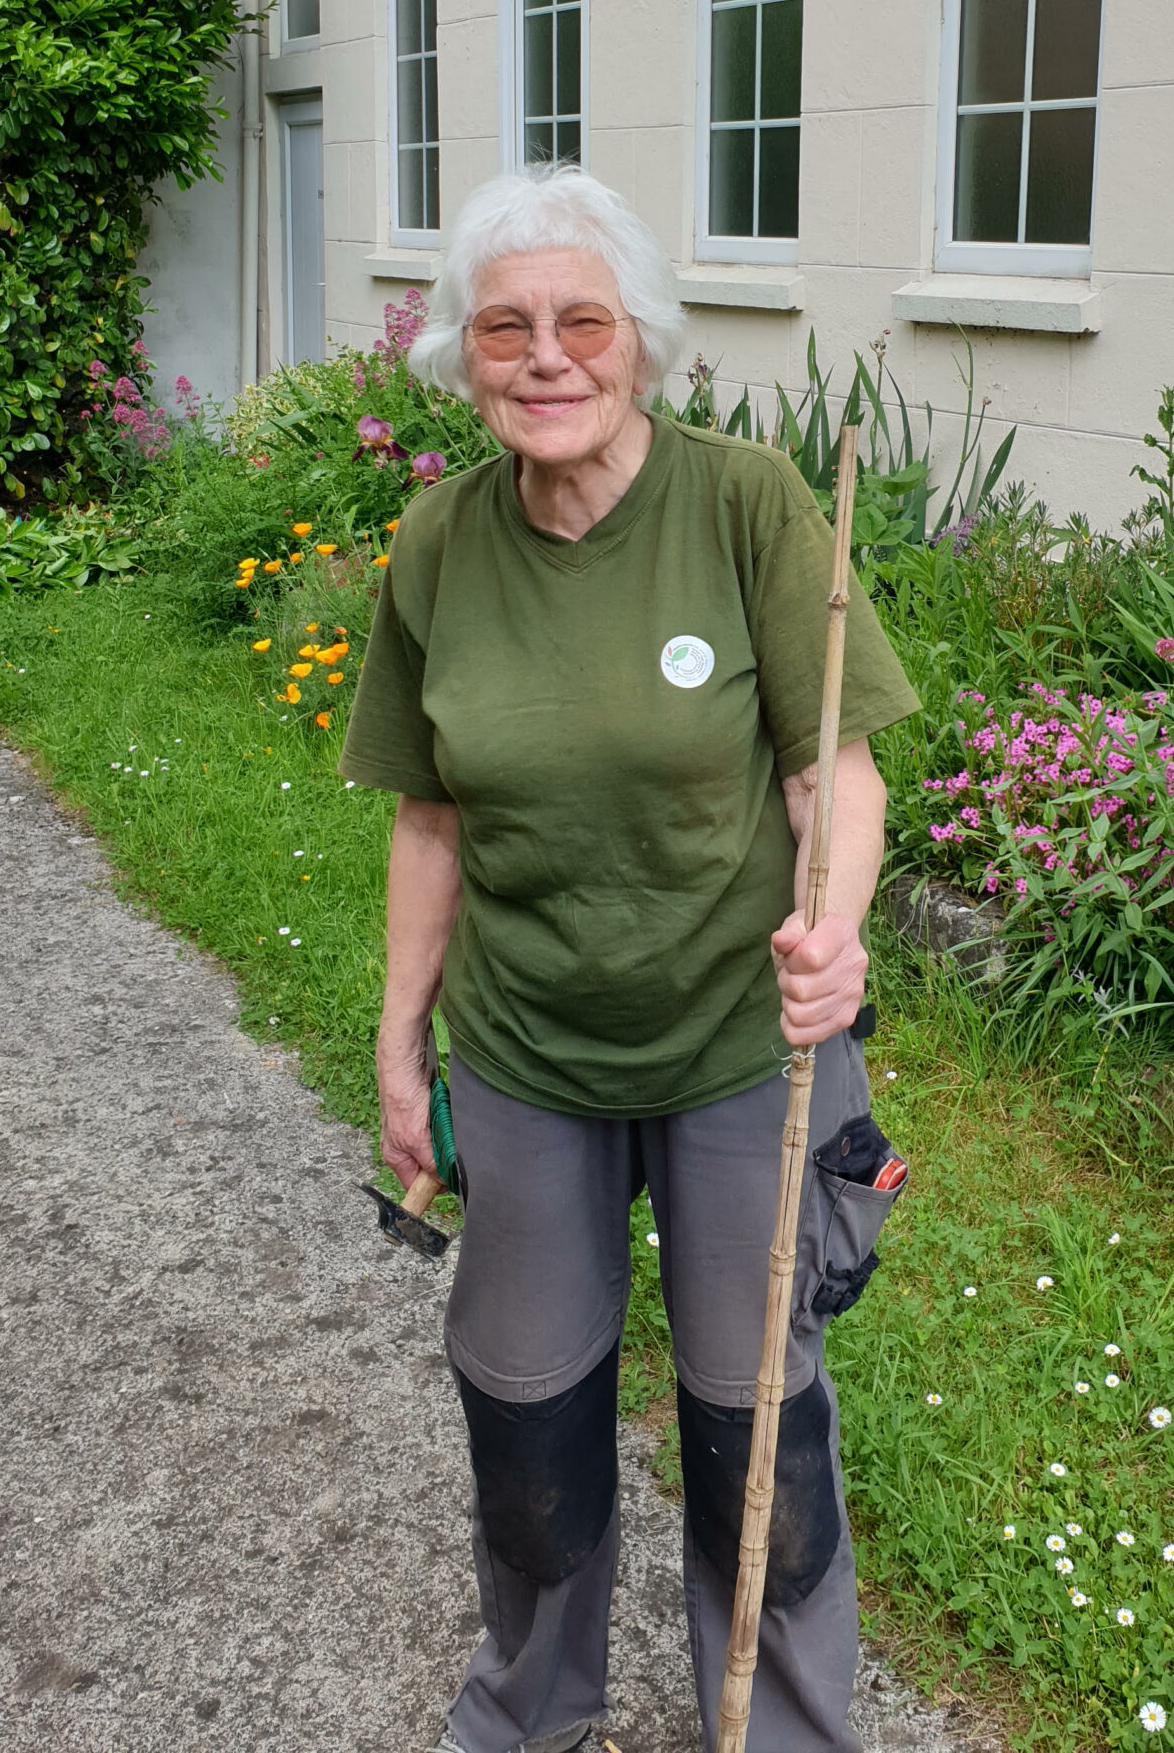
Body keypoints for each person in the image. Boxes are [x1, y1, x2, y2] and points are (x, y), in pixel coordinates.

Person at [341, 165, 920, 1753]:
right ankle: (530, 1717)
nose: (544, 356)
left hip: (742, 1044)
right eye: (503, 325)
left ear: (642, 342)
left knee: (760, 1443)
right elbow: (431, 820)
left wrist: (837, 933)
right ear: (462, 354)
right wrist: (403, 1045)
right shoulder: (441, 543)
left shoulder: (745, 502)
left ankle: (785, 1736)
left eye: (581, 320)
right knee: (526, 1423)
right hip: (530, 1056)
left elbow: (832, 774)